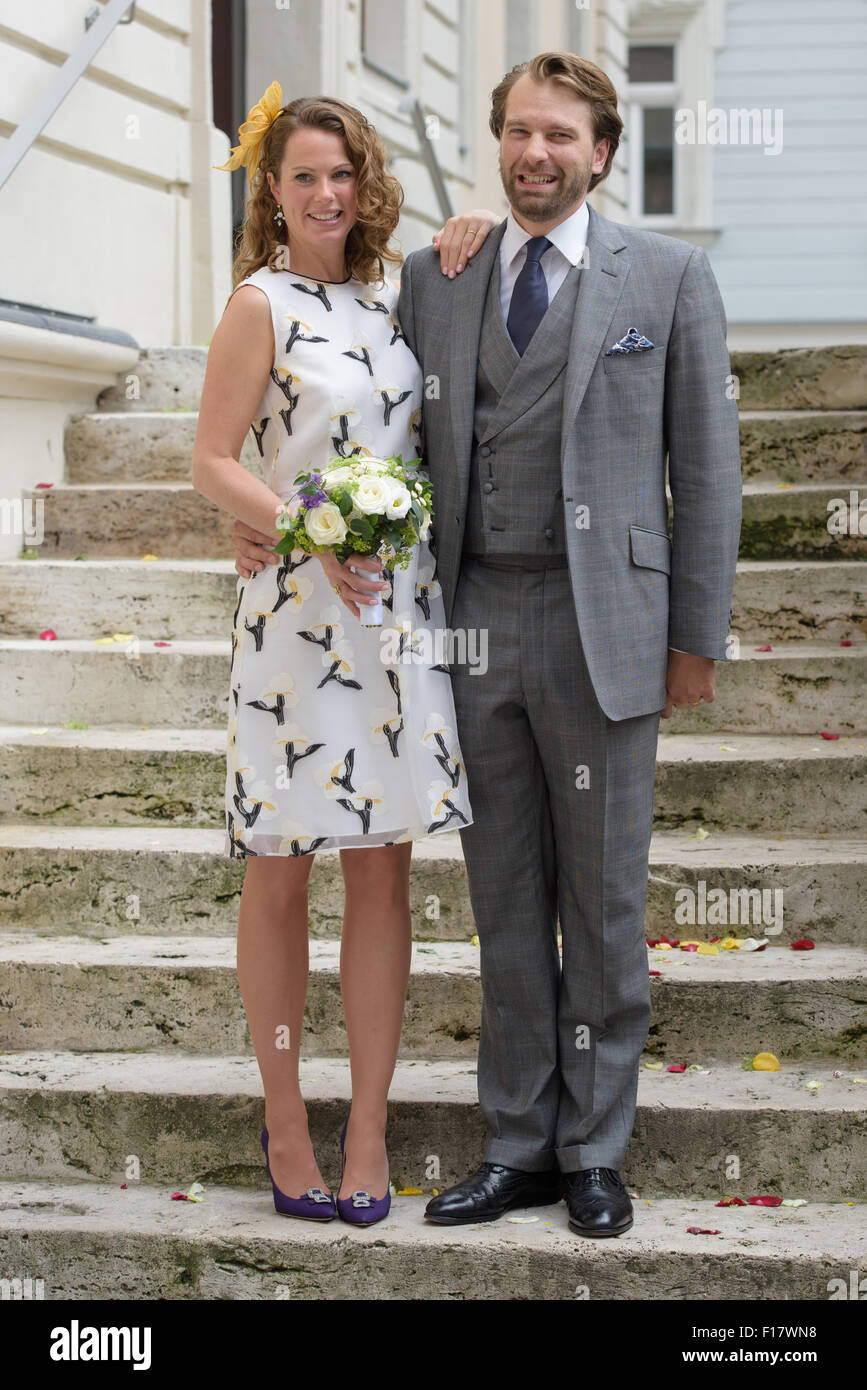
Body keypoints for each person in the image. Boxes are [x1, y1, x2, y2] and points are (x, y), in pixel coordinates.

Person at [233, 50, 742, 1241]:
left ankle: (594, 1151)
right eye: (518, 131)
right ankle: (517, 1143)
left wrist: (696, 636)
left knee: (606, 903)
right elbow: (346, 423)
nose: (536, 152)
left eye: (561, 135)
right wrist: (268, 527)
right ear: (497, 142)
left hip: (605, 628)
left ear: (602, 151)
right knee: (504, 899)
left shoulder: (666, 278)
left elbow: (707, 473)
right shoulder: (436, 276)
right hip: (463, 626)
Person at [194, 83, 495, 1225]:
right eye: (304, 174)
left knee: (384, 864)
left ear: (368, 184)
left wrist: (465, 225)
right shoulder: (256, 304)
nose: (326, 193)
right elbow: (212, 461)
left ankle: (368, 1125)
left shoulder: (390, 302)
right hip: (293, 620)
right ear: (271, 189)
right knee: (282, 865)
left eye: (343, 173)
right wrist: (304, 529)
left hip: (396, 617)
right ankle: (284, 1118)